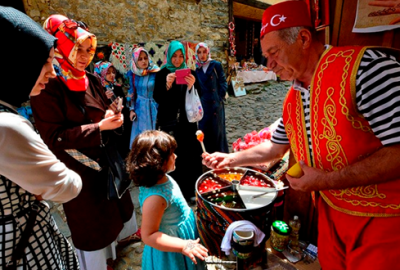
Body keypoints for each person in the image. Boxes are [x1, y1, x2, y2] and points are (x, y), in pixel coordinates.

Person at [202, 1, 400, 269]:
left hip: (385, 219)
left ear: (304, 38)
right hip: (330, 214)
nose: (268, 64)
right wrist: (230, 159)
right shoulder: (294, 96)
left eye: (274, 52)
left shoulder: (366, 69)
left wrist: (327, 179)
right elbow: (275, 148)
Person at [30, 14, 137, 270]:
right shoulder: (48, 85)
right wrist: (99, 127)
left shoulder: (90, 77)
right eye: (78, 48)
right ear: (61, 45)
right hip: (79, 170)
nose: (85, 55)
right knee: (92, 223)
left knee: (112, 212)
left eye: (89, 49)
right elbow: (53, 137)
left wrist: (112, 112)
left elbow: (100, 109)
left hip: (105, 163)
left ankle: (114, 253)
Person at [0, 7, 82, 269]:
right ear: (17, 63)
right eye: (44, 61)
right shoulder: (8, 127)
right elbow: (66, 184)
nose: (52, 71)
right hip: (24, 248)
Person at [126, 130, 208, 270]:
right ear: (159, 162)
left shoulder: (161, 178)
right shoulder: (155, 198)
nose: (175, 156)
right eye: (171, 154)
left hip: (182, 237)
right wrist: (183, 245)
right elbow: (148, 235)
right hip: (171, 253)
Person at [154, 40, 203, 201]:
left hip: (187, 124)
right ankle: (174, 192)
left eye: (180, 56)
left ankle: (190, 191)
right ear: (168, 56)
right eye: (174, 56)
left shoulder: (190, 73)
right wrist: (167, 85)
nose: (177, 60)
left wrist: (192, 85)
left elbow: (199, 94)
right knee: (172, 156)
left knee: (190, 156)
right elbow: (157, 97)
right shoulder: (162, 74)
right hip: (169, 123)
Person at [195, 42, 229, 154]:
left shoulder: (215, 65)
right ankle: (207, 156)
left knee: (217, 131)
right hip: (204, 104)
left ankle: (220, 155)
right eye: (199, 52)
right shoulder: (197, 69)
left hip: (215, 104)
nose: (202, 55)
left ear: (208, 52)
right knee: (205, 130)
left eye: (204, 52)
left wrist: (219, 96)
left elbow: (223, 82)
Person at [94, 61, 132, 157]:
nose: (112, 75)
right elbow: (96, 108)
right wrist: (104, 98)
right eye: (108, 72)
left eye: (113, 72)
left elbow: (123, 104)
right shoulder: (96, 89)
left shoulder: (116, 87)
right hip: (108, 128)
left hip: (120, 125)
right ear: (100, 73)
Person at [126, 47, 160, 148]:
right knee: (140, 137)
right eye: (140, 59)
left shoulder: (155, 72)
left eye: (145, 58)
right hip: (139, 108)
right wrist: (131, 110)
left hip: (153, 107)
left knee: (154, 137)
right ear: (135, 61)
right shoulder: (133, 74)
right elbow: (131, 93)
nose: (144, 61)